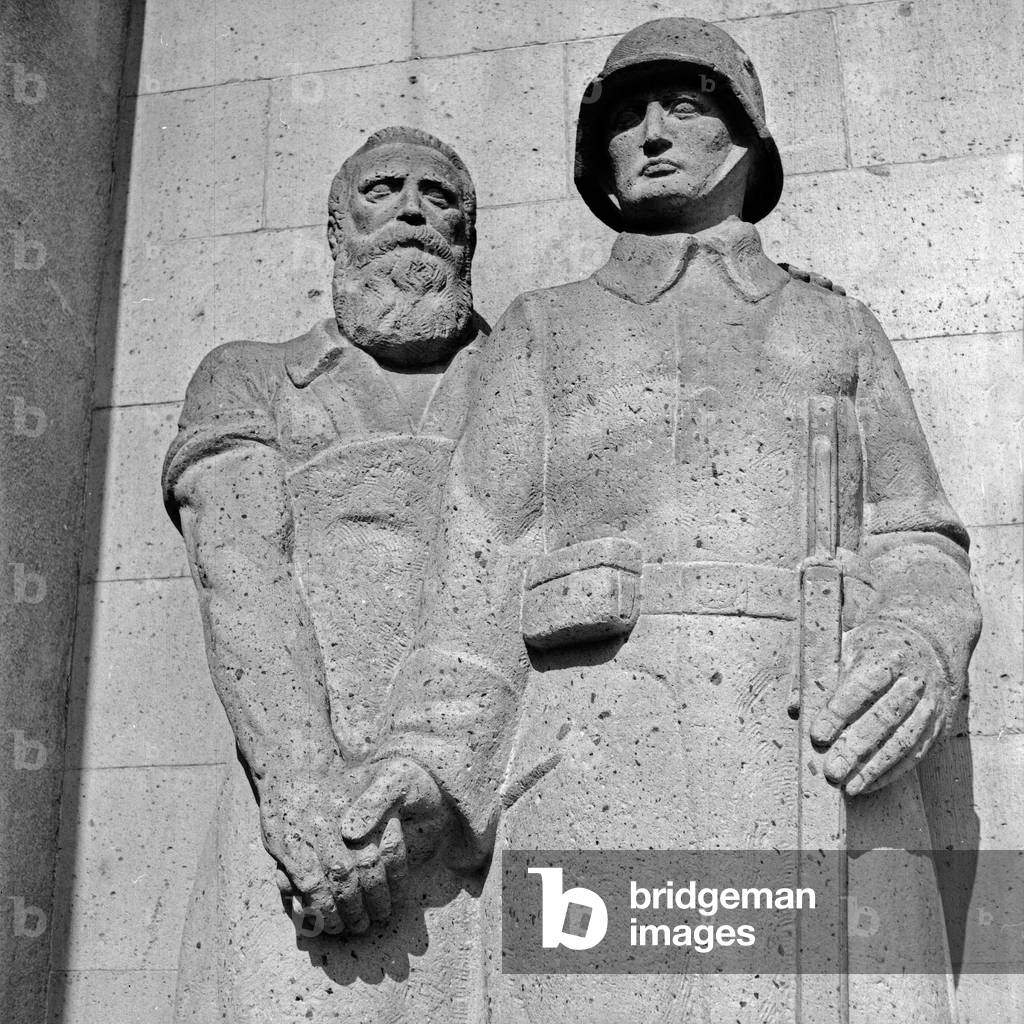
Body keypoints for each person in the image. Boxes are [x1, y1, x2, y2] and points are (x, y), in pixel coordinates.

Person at [340, 20, 981, 1023]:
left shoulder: (834, 326)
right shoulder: (544, 331)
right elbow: (478, 567)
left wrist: (918, 644)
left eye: (683, 106)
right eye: (626, 116)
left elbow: (915, 538)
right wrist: (425, 758)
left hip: (808, 743)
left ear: (744, 134)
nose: (648, 134)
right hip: (600, 750)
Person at [162, 126, 488, 1022]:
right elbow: (240, 575)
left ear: (468, 236)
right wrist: (307, 794)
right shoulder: (251, 376)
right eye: (385, 192)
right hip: (304, 815)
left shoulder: (523, 376)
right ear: (338, 231)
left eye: (442, 198)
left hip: (476, 810)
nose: (415, 211)